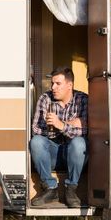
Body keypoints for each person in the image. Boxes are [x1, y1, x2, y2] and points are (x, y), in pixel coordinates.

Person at [30, 67, 88, 207]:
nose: (53, 87)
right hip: (52, 155)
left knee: (79, 143)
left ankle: (71, 189)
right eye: (52, 83)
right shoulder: (45, 98)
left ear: (70, 85)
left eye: (58, 84)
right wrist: (71, 125)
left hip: (75, 156)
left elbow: (86, 130)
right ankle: (50, 188)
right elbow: (36, 130)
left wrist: (61, 125)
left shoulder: (83, 99)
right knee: (36, 142)